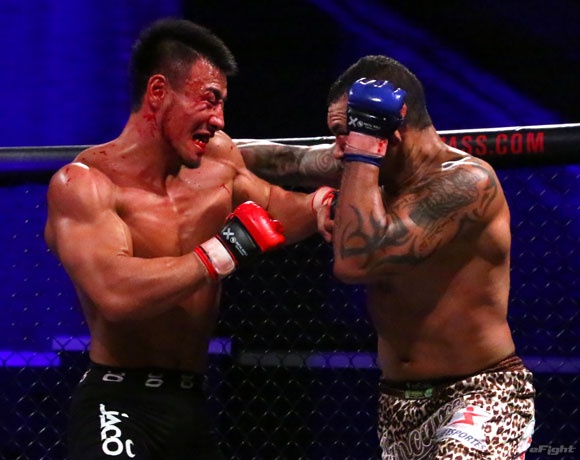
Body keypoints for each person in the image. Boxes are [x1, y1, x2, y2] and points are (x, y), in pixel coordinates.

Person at [44, 18, 335, 460]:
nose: (218, 120)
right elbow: (116, 293)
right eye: (209, 100)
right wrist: (221, 252)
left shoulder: (217, 161)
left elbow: (273, 209)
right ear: (158, 92)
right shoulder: (85, 183)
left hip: (191, 402)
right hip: (119, 401)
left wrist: (321, 205)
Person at [238, 55, 536, 460]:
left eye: (346, 134)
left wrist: (362, 153)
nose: (339, 151)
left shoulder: (468, 183)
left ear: (390, 130)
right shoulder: (365, 167)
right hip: (398, 403)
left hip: (480, 392)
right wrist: (197, 144)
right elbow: (284, 159)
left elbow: (357, 263)